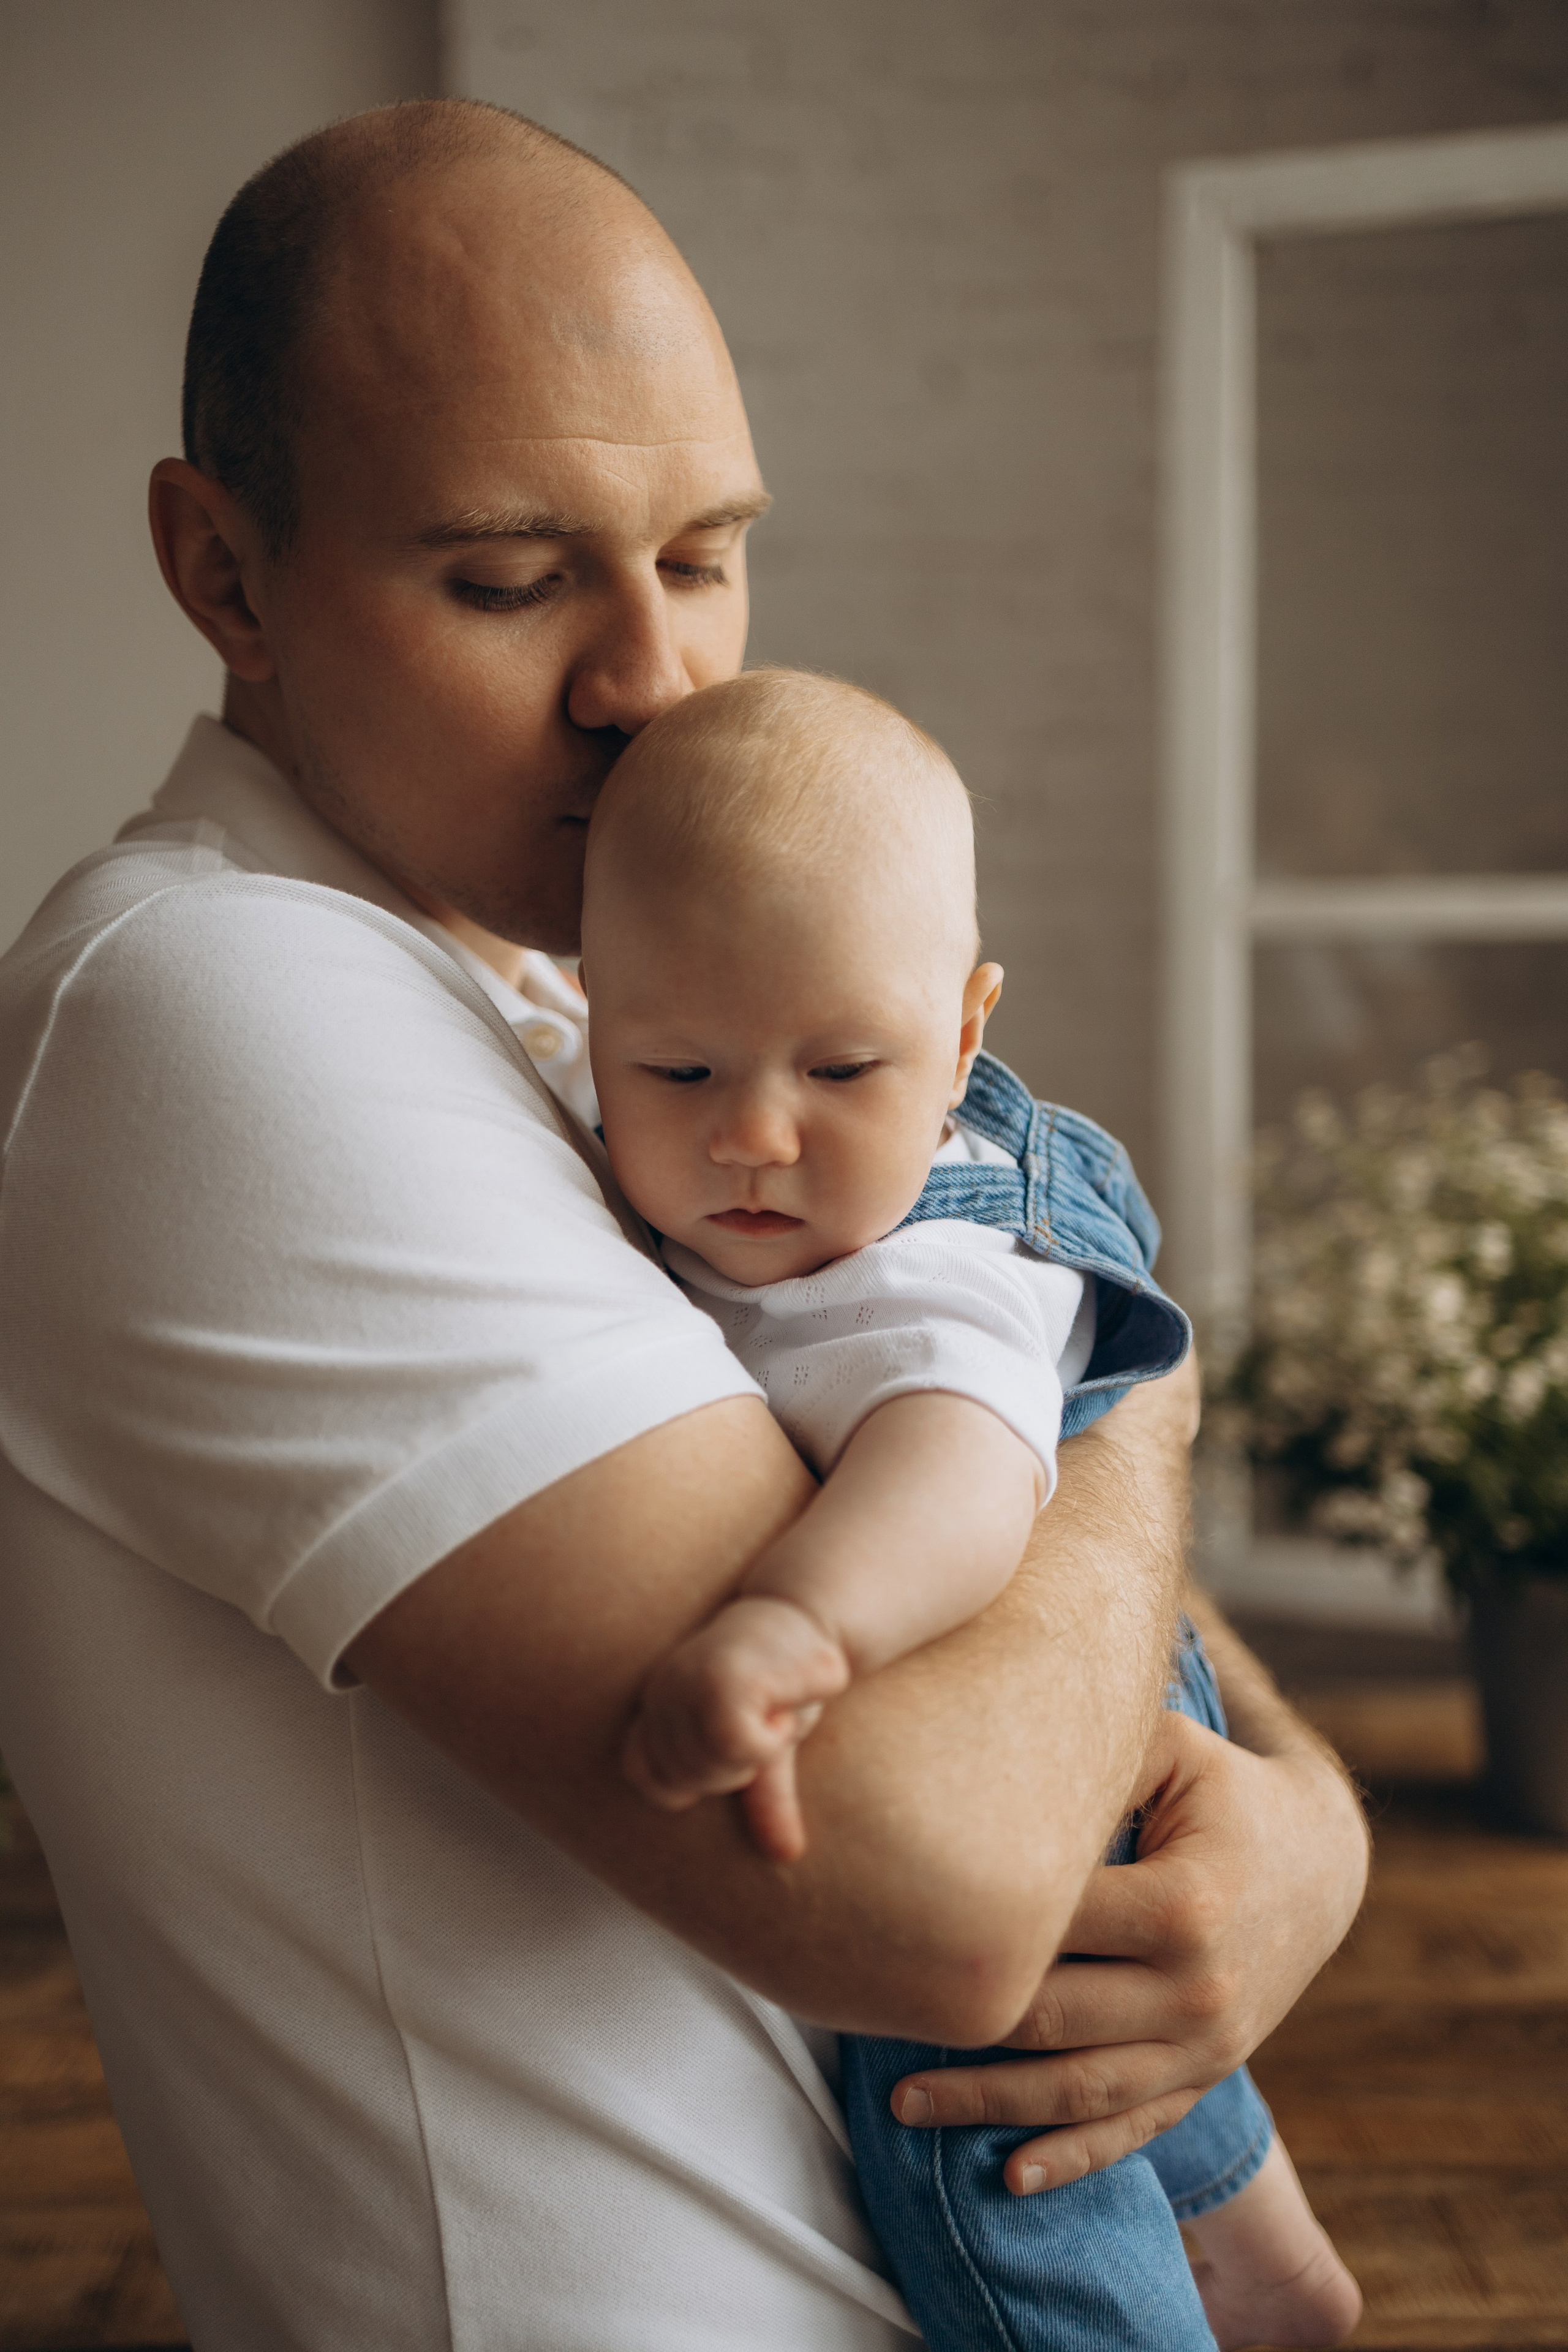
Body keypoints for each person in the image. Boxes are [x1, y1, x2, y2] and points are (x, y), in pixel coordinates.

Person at [0, 100, 1368, 2350]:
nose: (657, 682)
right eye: (513, 580)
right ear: (225, 569)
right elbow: (935, 1891)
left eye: (707, 554)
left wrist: (1300, 1833)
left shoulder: (585, 999)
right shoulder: (208, 1005)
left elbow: (999, 1536)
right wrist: (1122, 1355)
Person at [586, 666, 1362, 2351]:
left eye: (843, 1067)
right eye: (675, 1068)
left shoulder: (927, 1267)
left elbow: (965, 1466)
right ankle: (1279, 2268)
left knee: (1005, 2148)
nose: (756, 1139)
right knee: (1137, 2012)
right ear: (589, 1015)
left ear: (965, 1034)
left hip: (1001, 1660)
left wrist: (801, 1621)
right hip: (1105, 1662)